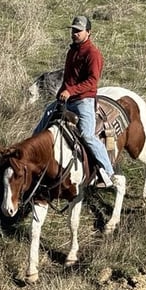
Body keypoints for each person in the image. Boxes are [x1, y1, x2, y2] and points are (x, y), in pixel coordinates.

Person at [34, 15, 115, 187]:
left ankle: (108, 172)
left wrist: (70, 91)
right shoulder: (72, 51)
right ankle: (32, 154)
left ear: (88, 32)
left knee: (87, 135)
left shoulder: (93, 54)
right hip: (67, 99)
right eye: (73, 30)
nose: (75, 33)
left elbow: (92, 82)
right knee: (45, 120)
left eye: (79, 31)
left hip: (84, 101)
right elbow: (68, 78)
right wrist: (61, 94)